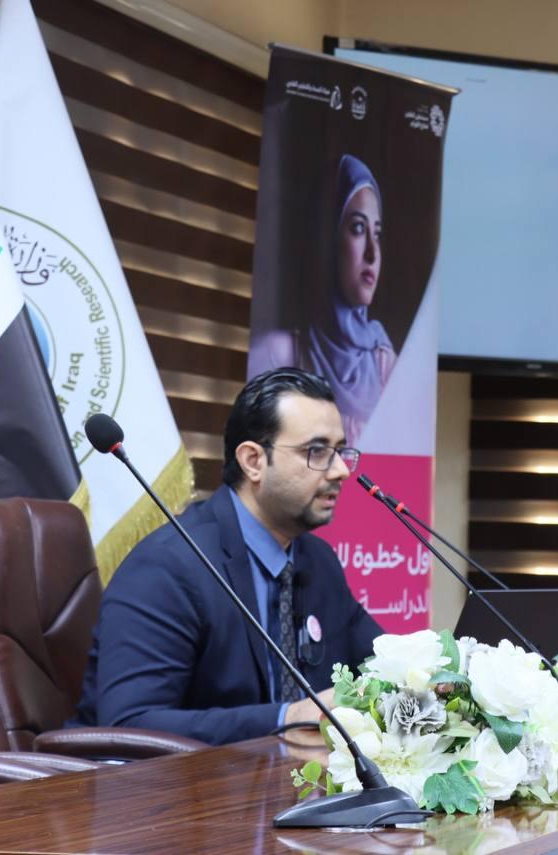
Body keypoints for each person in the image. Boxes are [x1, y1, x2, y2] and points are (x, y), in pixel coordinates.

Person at [72, 368, 383, 744]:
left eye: (340, 451)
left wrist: (430, 674)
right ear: (253, 460)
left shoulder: (318, 561)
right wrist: (288, 717)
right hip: (177, 781)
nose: (341, 470)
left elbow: (381, 664)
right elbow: (129, 724)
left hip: (292, 776)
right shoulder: (168, 566)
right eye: (316, 451)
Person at [250, 154, 396, 447]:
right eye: (358, 228)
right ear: (327, 236)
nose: (373, 253)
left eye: (377, 234)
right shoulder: (279, 354)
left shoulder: (384, 364)